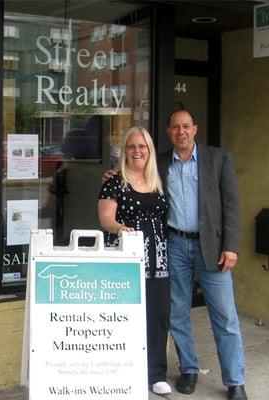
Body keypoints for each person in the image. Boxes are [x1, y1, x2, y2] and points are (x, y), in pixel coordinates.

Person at [102, 110, 248, 400]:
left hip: (212, 248)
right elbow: (132, 174)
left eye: (186, 126)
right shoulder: (161, 163)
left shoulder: (218, 159)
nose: (181, 131)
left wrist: (231, 246)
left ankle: (235, 381)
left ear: (195, 129)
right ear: (168, 132)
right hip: (175, 246)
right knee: (177, 313)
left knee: (225, 316)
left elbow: (231, 206)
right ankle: (189, 369)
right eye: (175, 127)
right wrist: (110, 173)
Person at [97, 126, 172, 396]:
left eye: (142, 146)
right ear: (124, 151)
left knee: (158, 314)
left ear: (149, 150)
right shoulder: (115, 181)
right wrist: (120, 229)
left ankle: (156, 374)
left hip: (157, 261)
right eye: (131, 146)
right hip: (124, 259)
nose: (137, 151)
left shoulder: (159, 179)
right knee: (123, 315)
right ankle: (122, 370)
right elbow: (105, 218)